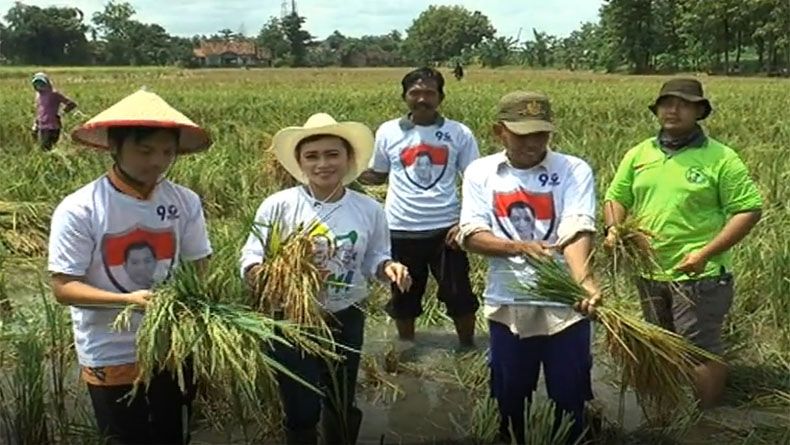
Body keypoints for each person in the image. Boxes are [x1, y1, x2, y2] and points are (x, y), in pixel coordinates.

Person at [47, 88, 213, 445]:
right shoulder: (81, 208)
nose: (158, 162)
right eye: (145, 150)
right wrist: (128, 301)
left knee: (174, 435)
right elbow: (63, 287)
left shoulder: (185, 201)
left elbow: (198, 266)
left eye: (167, 152)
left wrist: (196, 311)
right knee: (124, 437)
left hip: (171, 345)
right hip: (110, 349)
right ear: (114, 146)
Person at [240, 112, 411, 445]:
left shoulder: (368, 209)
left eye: (333, 154)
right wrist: (271, 277)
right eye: (312, 156)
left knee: (341, 398)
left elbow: (375, 256)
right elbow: (251, 257)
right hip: (291, 319)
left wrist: (388, 267)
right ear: (300, 163)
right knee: (301, 407)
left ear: (348, 159)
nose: (323, 164)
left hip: (346, 315)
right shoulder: (279, 206)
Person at [603, 78, 763, 409]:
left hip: (700, 276)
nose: (673, 110)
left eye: (683, 104)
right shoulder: (640, 153)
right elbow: (616, 196)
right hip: (650, 272)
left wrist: (704, 254)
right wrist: (614, 229)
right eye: (666, 103)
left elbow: (748, 210)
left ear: (699, 111)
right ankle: (668, 413)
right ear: (657, 110)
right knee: (660, 345)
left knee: (699, 350)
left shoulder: (721, 157)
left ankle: (706, 420)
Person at [457, 91, 601, 444]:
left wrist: (583, 281)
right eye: (522, 135)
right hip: (509, 302)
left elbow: (577, 227)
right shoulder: (481, 172)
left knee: (569, 396)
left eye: (541, 134)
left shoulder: (572, 169)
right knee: (509, 397)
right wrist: (518, 247)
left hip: (566, 306)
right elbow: (471, 234)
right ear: (499, 132)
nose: (533, 143)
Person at [358, 67, 480, 350]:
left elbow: (475, 180)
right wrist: (346, 172)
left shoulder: (458, 133)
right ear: (405, 96)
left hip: (446, 231)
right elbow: (379, 174)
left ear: (441, 97)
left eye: (429, 93)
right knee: (404, 294)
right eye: (415, 93)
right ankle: (406, 349)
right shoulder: (388, 131)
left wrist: (465, 223)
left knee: (458, 293)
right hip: (400, 228)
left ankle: (467, 348)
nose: (422, 99)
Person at [31, 72, 77, 151]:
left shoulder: (54, 94)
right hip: (42, 126)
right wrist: (36, 124)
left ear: (47, 83)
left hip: (53, 126)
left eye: (42, 83)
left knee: (46, 148)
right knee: (45, 148)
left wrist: (62, 113)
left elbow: (71, 104)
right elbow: (40, 111)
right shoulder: (38, 95)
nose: (40, 86)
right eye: (37, 84)